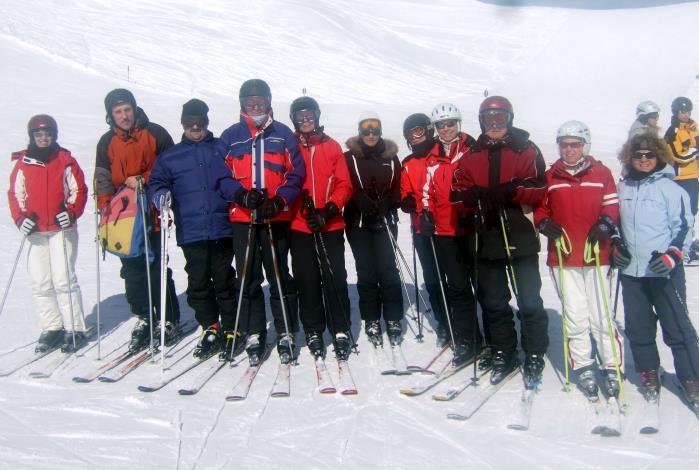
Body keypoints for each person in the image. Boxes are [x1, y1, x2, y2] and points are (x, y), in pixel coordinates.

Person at [451, 96, 549, 386]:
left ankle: (534, 352)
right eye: (489, 119)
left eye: (501, 118)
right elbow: (456, 192)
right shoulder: (472, 154)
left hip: (519, 232)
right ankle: (503, 351)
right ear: (481, 122)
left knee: (529, 299)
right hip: (487, 235)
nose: (495, 124)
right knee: (494, 301)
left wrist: (510, 191)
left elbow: (539, 186)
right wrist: (467, 199)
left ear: (510, 119)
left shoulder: (525, 149)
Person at [216, 79, 305, 365]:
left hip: (273, 217)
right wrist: (240, 195)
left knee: (278, 275)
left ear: (269, 103)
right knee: (248, 276)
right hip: (243, 218)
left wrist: (280, 200)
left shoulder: (283, 135)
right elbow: (220, 176)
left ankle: (286, 331)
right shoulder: (231, 136)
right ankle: (255, 330)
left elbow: (296, 174)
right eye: (250, 103)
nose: (256, 108)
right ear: (242, 105)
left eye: (260, 102)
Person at [148, 99, 244, 360]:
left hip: (222, 226)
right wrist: (161, 197)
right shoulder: (171, 156)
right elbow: (156, 183)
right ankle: (210, 325)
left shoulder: (220, 149)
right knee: (198, 281)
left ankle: (232, 326)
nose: (195, 127)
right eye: (190, 123)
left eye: (199, 122)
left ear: (206, 123)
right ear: (182, 124)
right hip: (191, 230)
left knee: (224, 279)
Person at [535, 120, 624, 398]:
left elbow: (611, 205)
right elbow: (540, 208)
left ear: (585, 145)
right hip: (563, 254)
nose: (569, 149)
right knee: (575, 315)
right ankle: (583, 364)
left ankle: (611, 365)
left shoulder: (601, 172)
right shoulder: (551, 176)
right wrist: (543, 223)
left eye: (575, 144)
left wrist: (606, 225)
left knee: (601, 313)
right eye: (565, 144)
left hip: (597, 253)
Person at [614, 132, 699, 410]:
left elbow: (684, 228)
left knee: (677, 327)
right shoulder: (622, 188)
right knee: (639, 328)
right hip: (632, 272)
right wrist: (615, 244)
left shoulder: (671, 189)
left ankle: (691, 377)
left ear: (659, 156)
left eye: (650, 155)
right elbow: (614, 222)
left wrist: (673, 255)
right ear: (630, 157)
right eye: (638, 155)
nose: (644, 159)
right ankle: (649, 372)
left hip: (663, 272)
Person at [94, 88, 180, 351]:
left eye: (127, 109)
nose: (124, 115)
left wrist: (145, 178)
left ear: (134, 108)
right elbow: (103, 176)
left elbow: (172, 165)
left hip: (152, 210)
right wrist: (105, 209)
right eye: (118, 112)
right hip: (124, 215)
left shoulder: (155, 133)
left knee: (156, 264)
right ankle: (144, 315)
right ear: (111, 115)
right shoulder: (107, 142)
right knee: (131, 269)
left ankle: (167, 317)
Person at [8, 115, 89, 353]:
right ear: (32, 136)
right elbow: (15, 194)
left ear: (54, 135)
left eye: (48, 134)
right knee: (41, 281)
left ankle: (75, 328)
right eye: (39, 134)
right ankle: (52, 327)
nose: (44, 138)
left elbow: (80, 190)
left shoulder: (64, 160)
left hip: (61, 229)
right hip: (35, 230)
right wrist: (20, 218)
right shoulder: (23, 162)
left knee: (64, 279)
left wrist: (71, 213)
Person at [410, 108, 480, 367]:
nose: (446, 129)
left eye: (450, 124)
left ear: (458, 124)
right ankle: (468, 339)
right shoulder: (432, 156)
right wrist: (426, 213)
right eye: (441, 125)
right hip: (444, 231)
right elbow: (426, 189)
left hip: (470, 228)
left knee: (482, 286)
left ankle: (496, 340)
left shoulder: (472, 149)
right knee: (458, 288)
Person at [287, 96, 354, 360]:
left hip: (330, 223)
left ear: (317, 115)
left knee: (334, 276)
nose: (306, 120)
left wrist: (330, 209)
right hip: (300, 223)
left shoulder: (332, 146)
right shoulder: (290, 146)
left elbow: (344, 184)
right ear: (294, 119)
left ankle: (340, 328)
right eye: (300, 116)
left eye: (310, 115)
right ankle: (313, 328)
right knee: (307, 279)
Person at [344, 112, 403, 347]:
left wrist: (390, 201)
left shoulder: (390, 157)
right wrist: (357, 197)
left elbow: (399, 185)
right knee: (367, 271)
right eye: (366, 129)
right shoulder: (349, 158)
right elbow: (342, 183)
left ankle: (393, 317)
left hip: (384, 220)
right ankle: (371, 318)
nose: (371, 134)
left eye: (375, 129)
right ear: (360, 131)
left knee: (388, 269)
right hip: (358, 223)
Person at [399, 113, 449, 345]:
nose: (415, 137)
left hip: (447, 227)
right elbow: (405, 188)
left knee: (453, 277)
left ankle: (459, 318)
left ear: (429, 131)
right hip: (422, 228)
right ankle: (443, 321)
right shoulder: (408, 163)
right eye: (411, 134)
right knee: (432, 276)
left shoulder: (443, 154)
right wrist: (407, 199)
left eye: (419, 131)